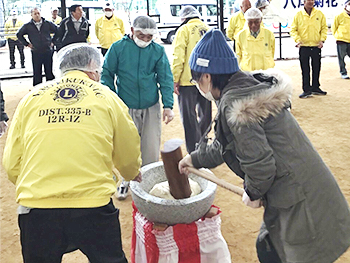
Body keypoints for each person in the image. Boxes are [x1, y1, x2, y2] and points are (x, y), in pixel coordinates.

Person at [178, 28, 350, 263]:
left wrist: (253, 191)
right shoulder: (243, 87)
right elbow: (224, 144)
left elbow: (261, 166)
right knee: (269, 248)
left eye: (195, 78)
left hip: (302, 198)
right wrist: (194, 159)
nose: (196, 83)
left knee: (286, 253)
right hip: (298, 189)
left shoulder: (237, 104)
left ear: (207, 76)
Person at [2, 44, 142, 263]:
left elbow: (12, 164)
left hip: (37, 208)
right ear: (91, 67)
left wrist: (38, 185)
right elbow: (128, 147)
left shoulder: (32, 98)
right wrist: (131, 172)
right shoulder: (107, 96)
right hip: (92, 204)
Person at [101, 16, 174, 200]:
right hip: (125, 105)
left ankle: (147, 182)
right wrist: (112, 99)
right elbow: (107, 74)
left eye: (149, 37)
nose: (145, 40)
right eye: (141, 35)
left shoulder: (157, 50)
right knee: (127, 146)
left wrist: (168, 105)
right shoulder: (118, 48)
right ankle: (126, 179)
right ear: (132, 30)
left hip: (151, 105)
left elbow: (165, 77)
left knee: (150, 146)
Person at [172, 5, 211, 154]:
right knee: (205, 115)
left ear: (183, 18)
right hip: (207, 80)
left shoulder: (183, 30)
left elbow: (178, 57)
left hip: (187, 80)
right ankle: (203, 145)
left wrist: (175, 79)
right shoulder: (208, 29)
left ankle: (194, 152)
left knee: (189, 117)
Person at [290, 0, 328, 98]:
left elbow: (324, 28)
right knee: (305, 69)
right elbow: (293, 29)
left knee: (316, 67)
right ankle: (306, 89)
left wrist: (322, 40)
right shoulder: (298, 15)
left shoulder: (319, 14)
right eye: (308, 0)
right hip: (303, 46)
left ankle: (315, 87)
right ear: (304, 2)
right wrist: (297, 40)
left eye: (312, 0)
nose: (311, 2)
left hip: (316, 46)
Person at [17, 7, 57, 86]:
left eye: (38, 13)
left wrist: (53, 42)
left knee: (49, 70)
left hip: (47, 50)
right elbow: (19, 34)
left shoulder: (47, 23)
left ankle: (51, 88)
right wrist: (27, 44)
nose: (37, 15)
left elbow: (58, 31)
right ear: (31, 15)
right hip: (36, 51)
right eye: (35, 14)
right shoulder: (28, 26)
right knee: (37, 71)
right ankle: (37, 89)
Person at [331, 0, 350, 79]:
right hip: (341, 40)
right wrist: (337, 36)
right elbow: (334, 27)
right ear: (345, 6)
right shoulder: (339, 15)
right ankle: (343, 72)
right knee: (341, 58)